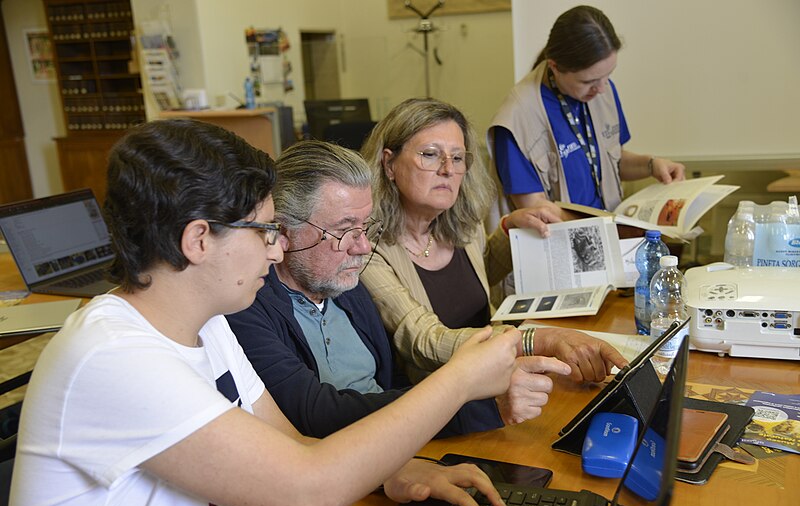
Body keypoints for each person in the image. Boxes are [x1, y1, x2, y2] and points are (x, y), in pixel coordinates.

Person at [7, 119, 524, 506]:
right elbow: (306, 491)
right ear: (199, 240)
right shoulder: (114, 356)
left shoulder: (208, 323)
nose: (278, 249)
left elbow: (295, 442)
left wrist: (397, 471)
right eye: (264, 231)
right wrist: (460, 380)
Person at [226, 140, 571, 442]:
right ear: (283, 232)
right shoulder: (247, 304)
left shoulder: (344, 283)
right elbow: (317, 414)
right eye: (345, 230)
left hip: (397, 450)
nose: (362, 247)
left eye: (365, 227)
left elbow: (391, 382)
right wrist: (477, 403)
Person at [360, 97, 628, 385]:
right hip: (435, 399)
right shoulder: (365, 246)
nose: (448, 169)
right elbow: (424, 340)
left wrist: (511, 231)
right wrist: (533, 340)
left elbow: (473, 280)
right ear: (389, 164)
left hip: (495, 377)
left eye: (458, 157)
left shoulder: (462, 223)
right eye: (430, 154)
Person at [488, 5, 686, 212]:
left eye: (608, 75)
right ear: (555, 66)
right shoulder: (516, 119)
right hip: (562, 236)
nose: (601, 89)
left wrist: (651, 165)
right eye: (588, 81)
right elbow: (534, 208)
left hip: (609, 227)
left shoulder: (602, 89)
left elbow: (612, 162)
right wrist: (597, 226)